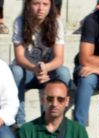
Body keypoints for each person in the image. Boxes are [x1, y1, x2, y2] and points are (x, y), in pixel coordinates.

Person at [10, 0, 70, 128]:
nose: (41, 8)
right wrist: (34, 68)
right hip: (27, 71)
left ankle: (53, 119)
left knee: (63, 72)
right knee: (16, 71)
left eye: (45, 4)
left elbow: (59, 59)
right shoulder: (20, 22)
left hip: (47, 72)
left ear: (50, 6)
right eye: (36, 3)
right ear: (28, 4)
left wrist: (45, 68)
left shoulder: (56, 23)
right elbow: (19, 57)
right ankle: (19, 122)